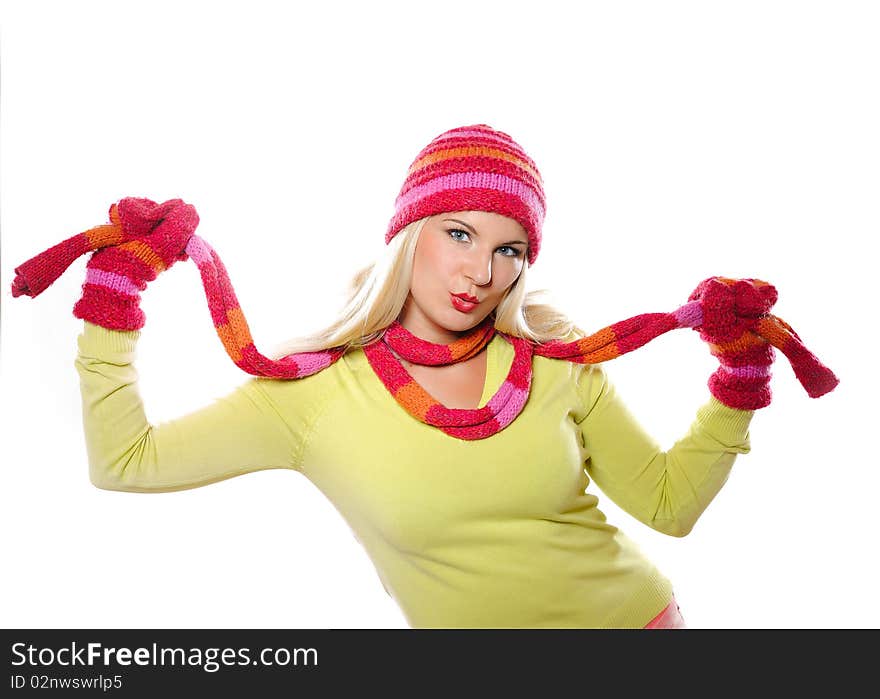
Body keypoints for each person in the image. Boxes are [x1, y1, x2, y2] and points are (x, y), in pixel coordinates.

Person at [53, 124, 777, 628]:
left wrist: (737, 382)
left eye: (510, 248)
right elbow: (125, 462)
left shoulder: (552, 359)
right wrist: (114, 303)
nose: (481, 271)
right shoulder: (313, 393)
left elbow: (668, 505)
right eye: (458, 233)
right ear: (410, 233)